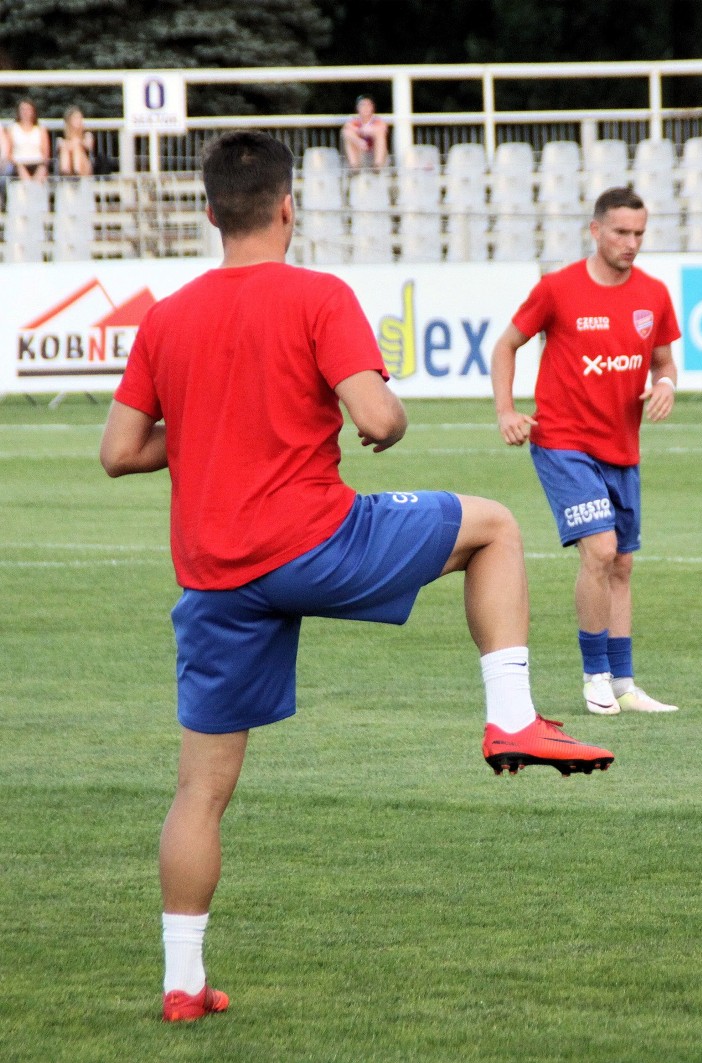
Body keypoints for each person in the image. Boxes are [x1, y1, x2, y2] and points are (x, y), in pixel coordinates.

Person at [99, 131, 614, 1023]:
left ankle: (182, 983)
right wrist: (384, 416)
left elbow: (117, 452)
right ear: (289, 207)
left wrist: (215, 429)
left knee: (199, 790)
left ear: (211, 213)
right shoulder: (317, 293)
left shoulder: (168, 316)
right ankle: (511, 718)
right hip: (314, 541)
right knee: (492, 525)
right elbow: (378, 413)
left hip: (217, 577)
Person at [491, 186, 681, 717]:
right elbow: (505, 345)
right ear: (595, 230)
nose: (632, 243)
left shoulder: (653, 295)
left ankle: (624, 683)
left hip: (622, 447)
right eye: (621, 232)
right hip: (563, 443)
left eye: (640, 233)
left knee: (621, 564)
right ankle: (594, 675)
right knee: (599, 551)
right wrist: (507, 411)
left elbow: (664, 362)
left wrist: (666, 386)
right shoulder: (558, 289)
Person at [7, 98, 50, 182]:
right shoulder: (12, 129)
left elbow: (45, 154)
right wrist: (18, 163)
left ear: (33, 111)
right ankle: (29, 187)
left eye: (28, 109)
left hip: (37, 163)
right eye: (22, 109)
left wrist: (42, 166)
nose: (25, 112)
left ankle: (34, 189)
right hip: (18, 164)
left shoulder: (40, 129)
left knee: (42, 170)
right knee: (21, 170)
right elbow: (9, 154)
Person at [341, 94, 389, 169]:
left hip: (375, 152)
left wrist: (364, 131)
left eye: (368, 105)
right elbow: (346, 131)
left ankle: (377, 166)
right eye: (362, 105)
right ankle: (354, 167)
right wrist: (359, 141)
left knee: (379, 134)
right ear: (357, 108)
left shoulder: (377, 120)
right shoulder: (354, 121)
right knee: (348, 134)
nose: (365, 108)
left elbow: (382, 128)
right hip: (360, 153)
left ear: (372, 107)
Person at [57, 106, 95, 177]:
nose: (79, 120)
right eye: (75, 118)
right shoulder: (64, 137)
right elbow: (60, 144)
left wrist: (79, 142)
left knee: (76, 147)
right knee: (65, 148)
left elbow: (89, 146)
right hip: (69, 165)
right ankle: (66, 173)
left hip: (84, 167)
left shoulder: (87, 134)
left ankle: (76, 172)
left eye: (80, 118)